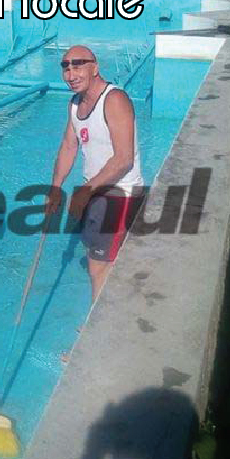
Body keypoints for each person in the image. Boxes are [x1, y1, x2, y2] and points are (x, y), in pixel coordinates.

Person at [45, 46, 144, 301]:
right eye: (66, 68)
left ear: (95, 67)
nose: (71, 74)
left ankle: (99, 322)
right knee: (99, 259)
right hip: (96, 191)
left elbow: (123, 159)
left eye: (78, 65)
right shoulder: (75, 104)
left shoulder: (114, 100)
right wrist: (55, 187)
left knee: (98, 267)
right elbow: (69, 146)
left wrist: (85, 192)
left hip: (120, 194)